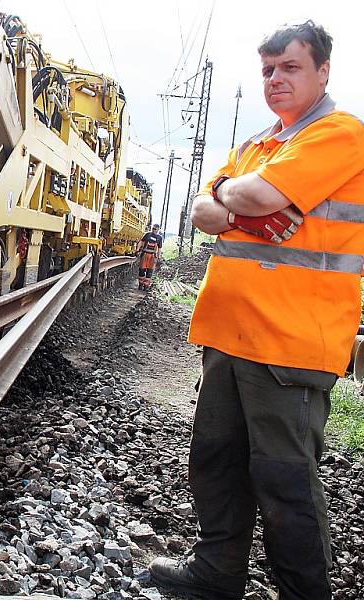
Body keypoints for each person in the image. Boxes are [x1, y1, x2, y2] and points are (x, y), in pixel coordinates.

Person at [148, 21, 364, 600]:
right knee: (216, 462)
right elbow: (203, 211)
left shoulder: (340, 134)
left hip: (291, 341)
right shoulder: (258, 145)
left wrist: (239, 199)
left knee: (284, 479)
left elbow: (256, 196)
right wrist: (239, 201)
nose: (275, 79)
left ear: (323, 71)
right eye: (268, 69)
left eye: (290, 68)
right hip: (228, 332)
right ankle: (218, 577)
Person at [136, 224, 163, 291]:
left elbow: (159, 248)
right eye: (153, 228)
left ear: (158, 229)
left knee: (149, 271)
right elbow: (141, 242)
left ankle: (146, 286)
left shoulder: (159, 238)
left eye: (155, 229)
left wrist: (159, 257)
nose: (153, 230)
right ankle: (140, 284)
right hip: (145, 254)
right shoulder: (147, 234)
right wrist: (137, 250)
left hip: (152, 256)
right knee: (142, 270)